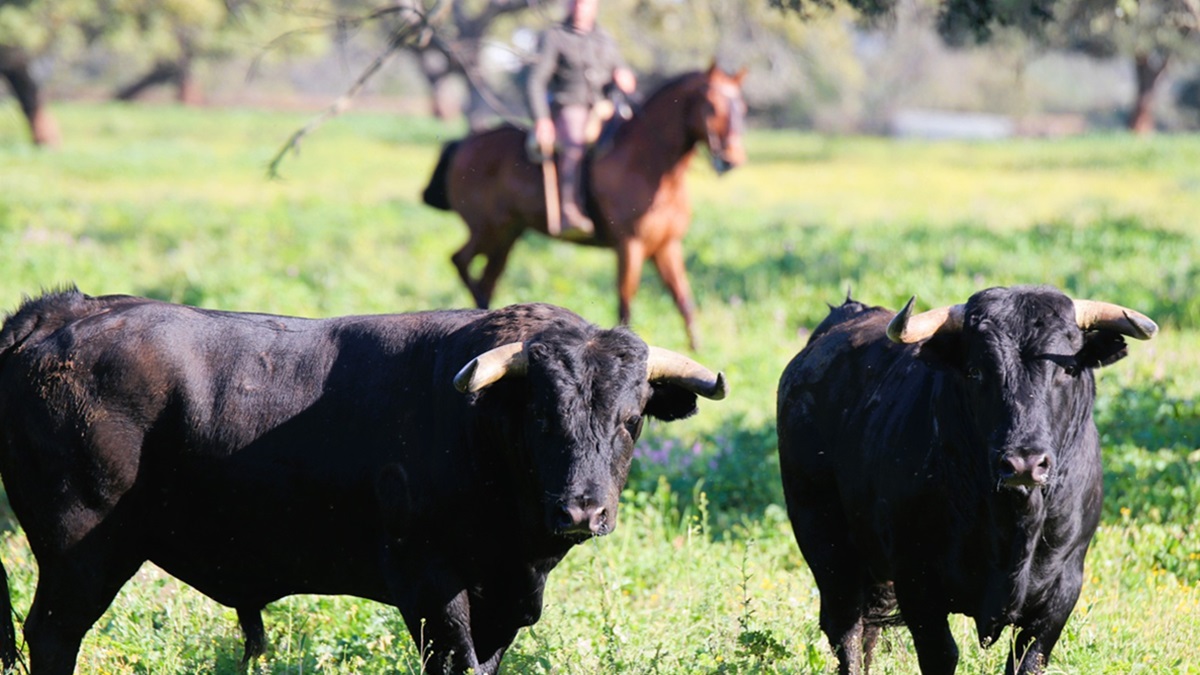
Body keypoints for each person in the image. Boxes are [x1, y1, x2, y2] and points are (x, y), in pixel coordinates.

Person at [527, 0, 636, 239]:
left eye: (586, 3)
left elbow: (620, 68)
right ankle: (570, 212)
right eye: (575, 2)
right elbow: (537, 81)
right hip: (570, 106)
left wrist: (624, 75)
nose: (580, 7)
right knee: (575, 143)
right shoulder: (555, 37)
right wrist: (542, 119)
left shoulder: (605, 38)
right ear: (568, 5)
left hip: (602, 107)